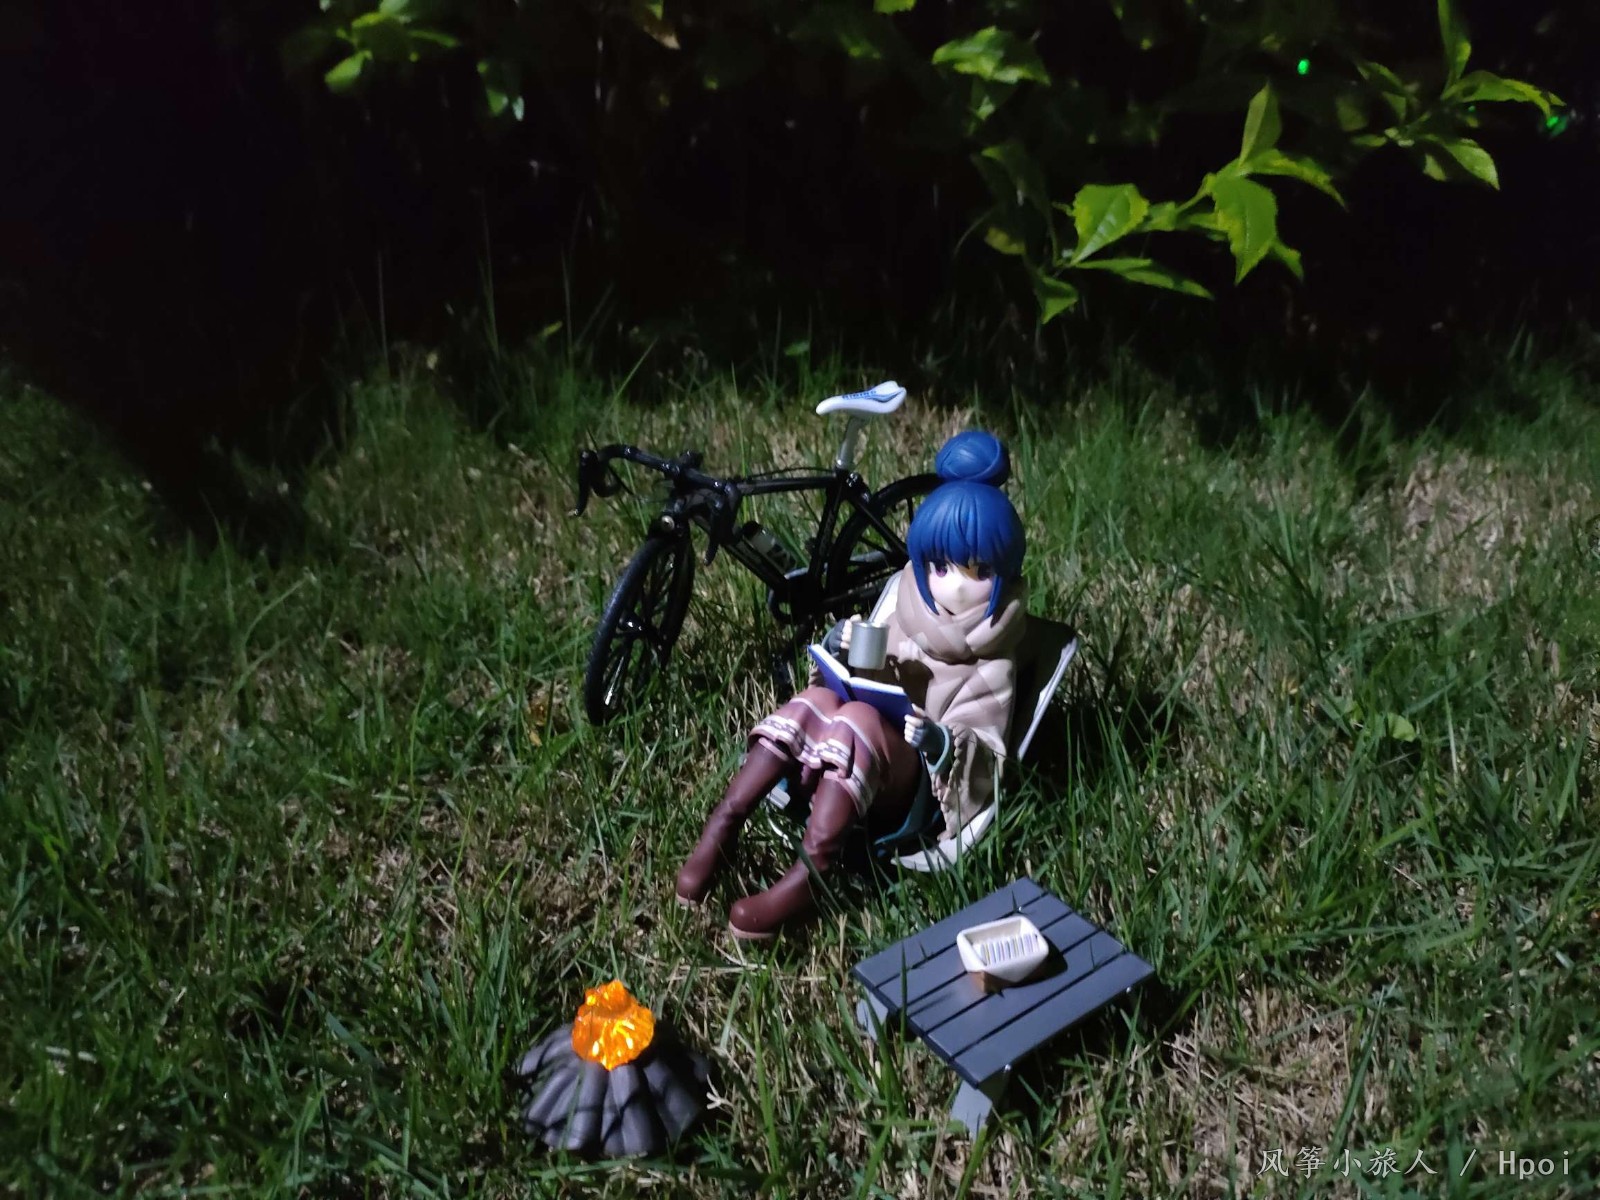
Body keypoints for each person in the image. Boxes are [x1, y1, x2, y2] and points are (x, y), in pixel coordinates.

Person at [674, 430, 1029, 938]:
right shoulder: (906, 600)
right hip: (856, 755)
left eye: (978, 570)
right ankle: (724, 824)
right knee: (816, 699)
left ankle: (812, 871)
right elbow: (860, 676)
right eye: (939, 565)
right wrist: (840, 650)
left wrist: (940, 741)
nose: (952, 583)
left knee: (860, 717)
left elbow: (987, 757)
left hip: (914, 791)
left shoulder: (992, 660)